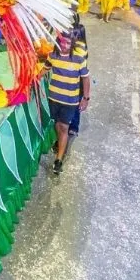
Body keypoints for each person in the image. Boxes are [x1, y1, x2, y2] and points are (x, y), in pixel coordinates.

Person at [44, 31, 90, 176]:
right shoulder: (52, 56)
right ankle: (59, 144)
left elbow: (86, 79)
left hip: (70, 101)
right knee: (57, 124)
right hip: (53, 99)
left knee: (63, 127)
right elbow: (42, 71)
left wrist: (86, 98)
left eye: (68, 43)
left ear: (73, 44)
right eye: (62, 42)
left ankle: (58, 160)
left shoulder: (79, 59)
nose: (64, 45)